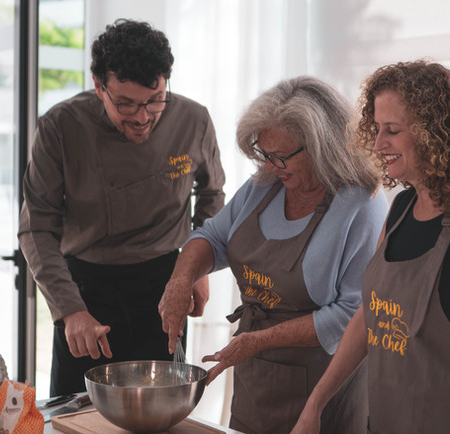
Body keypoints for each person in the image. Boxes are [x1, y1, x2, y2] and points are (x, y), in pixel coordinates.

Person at [291, 60, 450, 434]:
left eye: (392, 130)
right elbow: (369, 317)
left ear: (435, 133)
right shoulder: (401, 208)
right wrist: (316, 403)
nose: (377, 144)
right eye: (376, 129)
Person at [159, 76, 389, 433]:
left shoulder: (360, 205)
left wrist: (260, 339)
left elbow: (352, 316)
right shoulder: (262, 188)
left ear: (320, 147)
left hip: (324, 392)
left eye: (280, 157)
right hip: (256, 380)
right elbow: (212, 237)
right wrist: (181, 278)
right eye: (265, 155)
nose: (268, 167)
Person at [18, 19, 226, 396]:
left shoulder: (193, 120)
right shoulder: (59, 127)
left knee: (160, 410)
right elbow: (37, 228)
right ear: (99, 86)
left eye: (154, 99)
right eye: (126, 103)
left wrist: (196, 268)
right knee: (78, 415)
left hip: (164, 285)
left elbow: (211, 197)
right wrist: (69, 310)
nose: (143, 117)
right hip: (87, 292)